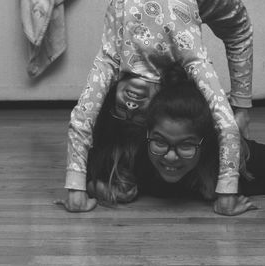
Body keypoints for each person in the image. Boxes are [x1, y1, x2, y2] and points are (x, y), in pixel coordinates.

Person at [63, 0, 254, 213]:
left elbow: (82, 117)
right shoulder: (115, 52)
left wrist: (241, 103)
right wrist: (227, 195)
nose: (131, 103)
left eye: (128, 112)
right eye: (131, 113)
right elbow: (82, 118)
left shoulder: (183, 54)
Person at [76, 66, 265, 215]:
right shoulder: (135, 152)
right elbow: (88, 163)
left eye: (186, 146)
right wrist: (98, 187)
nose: (170, 156)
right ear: (147, 135)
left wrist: (228, 189)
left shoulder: (219, 157)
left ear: (205, 142)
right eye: (160, 142)